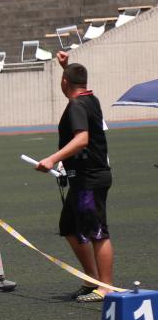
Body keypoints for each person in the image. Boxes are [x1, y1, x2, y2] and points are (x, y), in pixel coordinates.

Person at [36, 51, 114, 302]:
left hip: (90, 178)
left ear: (65, 83)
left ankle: (106, 287)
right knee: (69, 226)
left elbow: (82, 139)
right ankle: (91, 279)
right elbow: (72, 82)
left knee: (97, 232)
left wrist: (52, 159)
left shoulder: (77, 105)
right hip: (83, 177)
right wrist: (66, 67)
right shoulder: (90, 98)